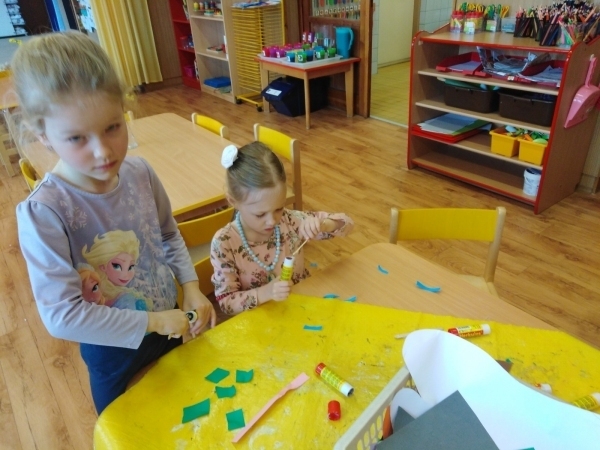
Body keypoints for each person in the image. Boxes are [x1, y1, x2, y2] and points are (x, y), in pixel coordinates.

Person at [13, 31, 216, 414]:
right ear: (43, 135)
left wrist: (191, 287)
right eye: (77, 138)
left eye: (113, 127)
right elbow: (62, 316)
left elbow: (168, 234)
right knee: (128, 427)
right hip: (112, 352)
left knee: (183, 414)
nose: (103, 151)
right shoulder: (45, 212)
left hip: (169, 322)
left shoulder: (141, 173)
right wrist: (152, 322)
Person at [211, 142, 354, 315]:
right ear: (233, 202)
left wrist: (324, 224)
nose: (272, 221)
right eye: (260, 214)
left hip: (301, 308)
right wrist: (266, 293)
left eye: (278, 208)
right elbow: (227, 302)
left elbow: (348, 223)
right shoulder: (224, 243)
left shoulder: (289, 221)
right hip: (261, 320)